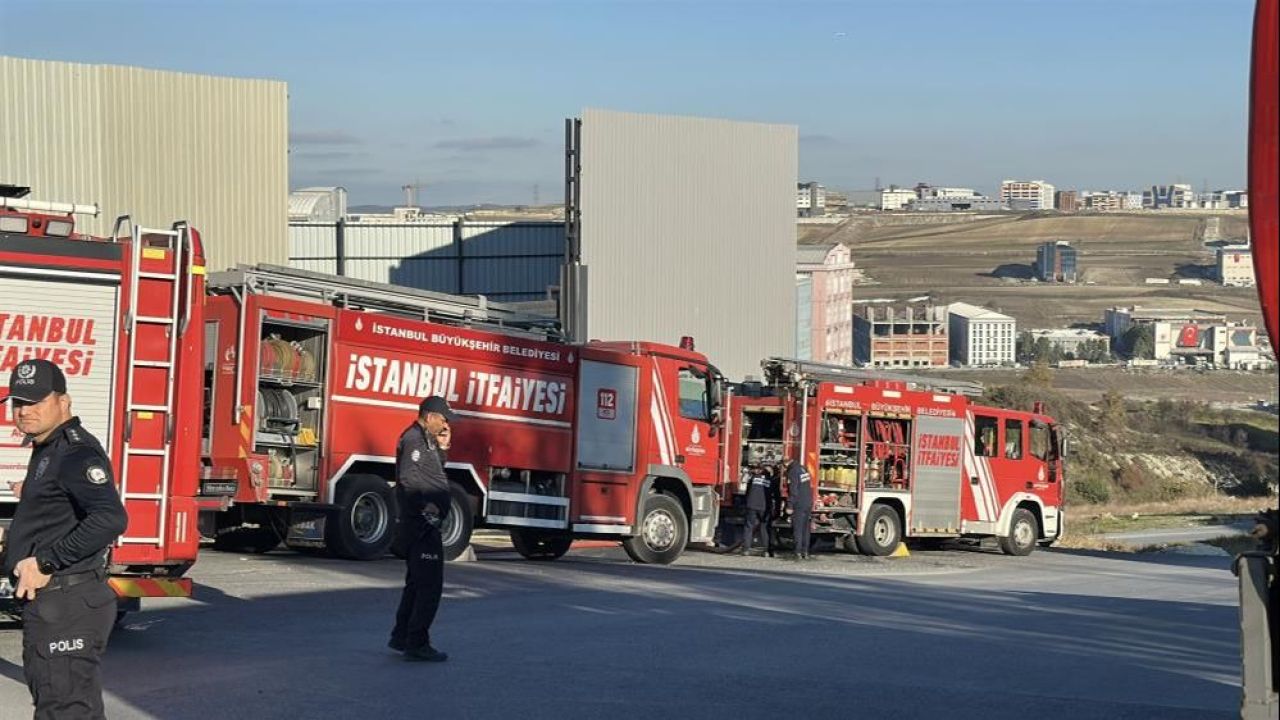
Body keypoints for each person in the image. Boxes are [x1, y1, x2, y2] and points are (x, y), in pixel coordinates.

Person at [1, 359, 127, 719]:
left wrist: (45, 562)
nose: (25, 411)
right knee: (72, 709)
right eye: (18, 403)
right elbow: (54, 519)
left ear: (64, 401)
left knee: (64, 710)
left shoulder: (75, 452)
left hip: (68, 604)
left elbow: (110, 518)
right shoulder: (48, 448)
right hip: (56, 604)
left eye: (36, 401)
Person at [388, 395, 457, 662]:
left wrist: (442, 447)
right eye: (443, 419)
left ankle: (402, 635)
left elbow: (432, 473)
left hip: (422, 525)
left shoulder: (426, 440)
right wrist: (425, 509)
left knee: (416, 584)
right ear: (429, 417)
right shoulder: (414, 440)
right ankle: (417, 642)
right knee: (430, 586)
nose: (445, 424)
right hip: (421, 527)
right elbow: (409, 479)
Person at [737, 463, 778, 557]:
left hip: (751, 505)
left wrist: (746, 504)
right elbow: (775, 496)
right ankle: (766, 550)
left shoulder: (754, 478)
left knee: (749, 527)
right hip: (764, 507)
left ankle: (746, 549)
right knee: (764, 527)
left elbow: (747, 492)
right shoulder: (771, 481)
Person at [785, 457, 814, 560]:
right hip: (808, 502)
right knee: (806, 529)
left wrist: (790, 505)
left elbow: (794, 490)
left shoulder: (793, 472)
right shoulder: (803, 468)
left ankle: (797, 552)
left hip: (799, 503)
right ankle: (805, 552)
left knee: (798, 529)